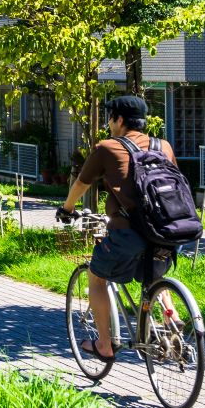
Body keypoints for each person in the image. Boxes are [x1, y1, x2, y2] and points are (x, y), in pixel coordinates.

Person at [55, 94, 177, 362]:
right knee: (154, 274)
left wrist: (67, 209)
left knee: (96, 276)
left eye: (110, 118)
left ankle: (105, 345)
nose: (109, 123)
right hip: (167, 232)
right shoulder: (163, 146)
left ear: (119, 120)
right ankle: (172, 318)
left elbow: (81, 183)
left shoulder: (108, 148)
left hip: (129, 233)